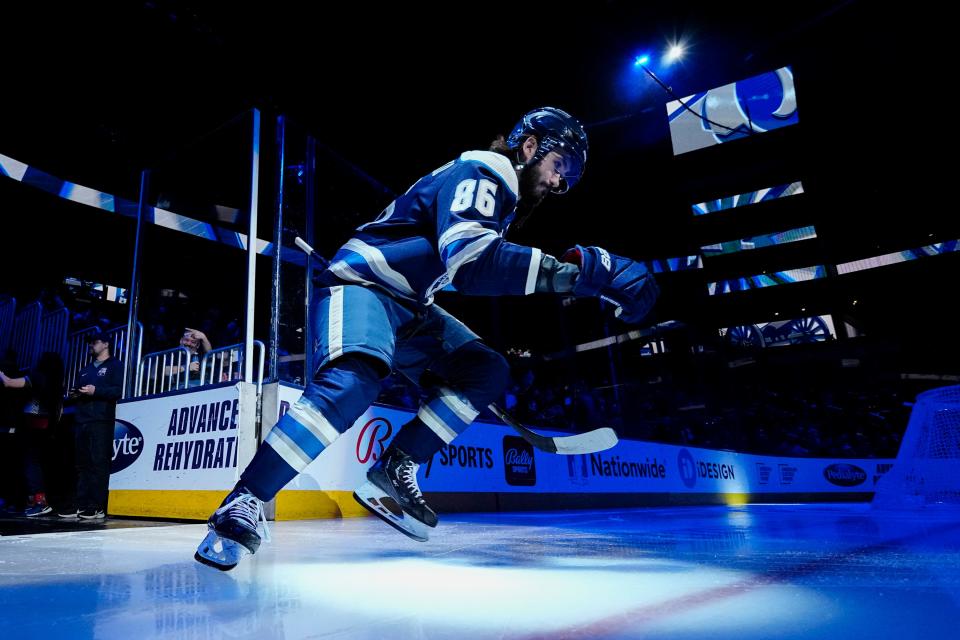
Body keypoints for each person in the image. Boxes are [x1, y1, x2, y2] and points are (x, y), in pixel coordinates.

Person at [195, 106, 659, 570]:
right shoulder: (488, 168)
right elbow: (473, 260)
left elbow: (455, 268)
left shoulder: (500, 197)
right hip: (364, 286)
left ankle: (396, 468)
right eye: (560, 166)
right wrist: (574, 277)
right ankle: (245, 500)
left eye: (569, 177)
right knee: (353, 381)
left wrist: (562, 277)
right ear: (531, 146)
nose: (560, 182)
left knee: (485, 369)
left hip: (410, 303)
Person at [59, 332, 123, 520]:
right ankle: (81, 503)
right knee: (82, 464)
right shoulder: (85, 370)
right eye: (90, 343)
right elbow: (79, 390)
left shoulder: (116, 366)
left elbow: (119, 390)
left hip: (101, 420)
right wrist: (76, 394)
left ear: (105, 344)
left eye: (94, 342)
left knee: (98, 463)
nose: (91, 346)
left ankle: (96, 506)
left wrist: (96, 391)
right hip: (82, 420)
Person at [0, 352, 65, 516]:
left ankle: (39, 502)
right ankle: (33, 500)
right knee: (34, 463)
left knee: (30, 463)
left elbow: (9, 383)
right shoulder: (56, 382)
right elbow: (59, 411)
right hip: (46, 426)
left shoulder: (37, 377)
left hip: (32, 423)